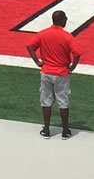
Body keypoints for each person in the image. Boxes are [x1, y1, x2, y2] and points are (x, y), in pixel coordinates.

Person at [26, 9, 80, 139]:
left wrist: (37, 62)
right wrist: (72, 66)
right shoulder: (67, 36)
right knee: (63, 102)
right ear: (62, 20)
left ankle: (46, 129)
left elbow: (29, 46)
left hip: (46, 72)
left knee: (46, 101)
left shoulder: (43, 34)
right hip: (61, 73)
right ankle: (65, 131)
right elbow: (77, 53)